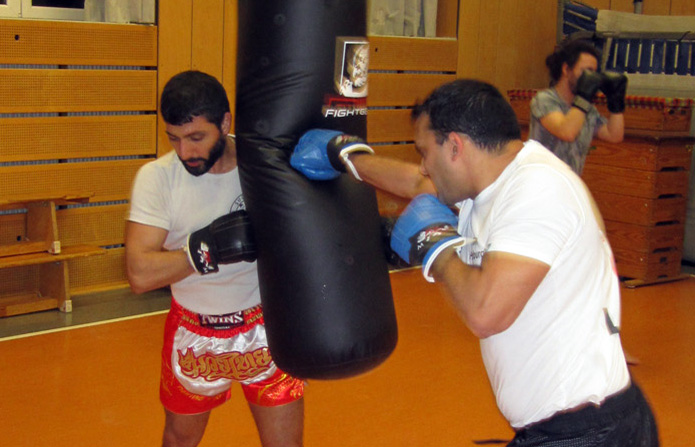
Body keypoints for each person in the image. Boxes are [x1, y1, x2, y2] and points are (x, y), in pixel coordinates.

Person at [290, 79, 659, 446]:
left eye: (424, 152)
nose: (422, 166)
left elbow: (486, 312)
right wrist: (347, 157)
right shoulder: (488, 182)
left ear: (455, 146)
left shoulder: (538, 191)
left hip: (591, 434)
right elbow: (415, 183)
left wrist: (434, 245)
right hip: (565, 429)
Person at [125, 70, 305, 447]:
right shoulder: (157, 178)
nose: (185, 152)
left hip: (265, 327)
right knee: (179, 440)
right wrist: (206, 248)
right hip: (194, 333)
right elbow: (139, 274)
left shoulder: (263, 166)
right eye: (173, 138)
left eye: (196, 137)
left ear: (225, 123)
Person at [529, 39, 627, 175]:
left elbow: (614, 135)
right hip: (542, 185)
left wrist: (616, 103)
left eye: (594, 72)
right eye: (586, 71)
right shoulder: (544, 99)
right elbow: (567, 132)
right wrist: (584, 96)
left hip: (569, 186)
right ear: (566, 69)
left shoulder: (587, 109)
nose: (591, 77)